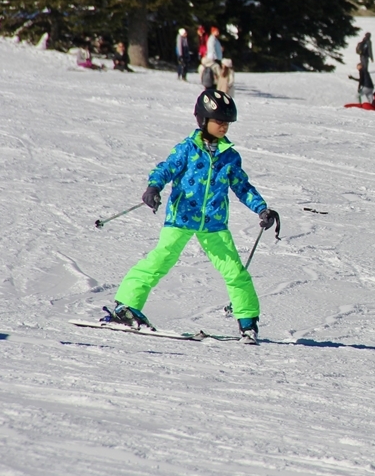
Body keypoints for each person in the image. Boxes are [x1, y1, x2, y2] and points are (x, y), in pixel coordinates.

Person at [102, 90, 279, 344]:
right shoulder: (187, 149)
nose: (223, 126)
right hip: (181, 217)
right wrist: (154, 187)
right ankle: (125, 307)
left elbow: (242, 186)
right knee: (160, 260)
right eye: (219, 121)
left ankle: (248, 321)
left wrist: (262, 208)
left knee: (234, 271)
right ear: (203, 120)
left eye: (227, 123)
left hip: (214, 224)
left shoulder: (230, 156)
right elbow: (165, 168)